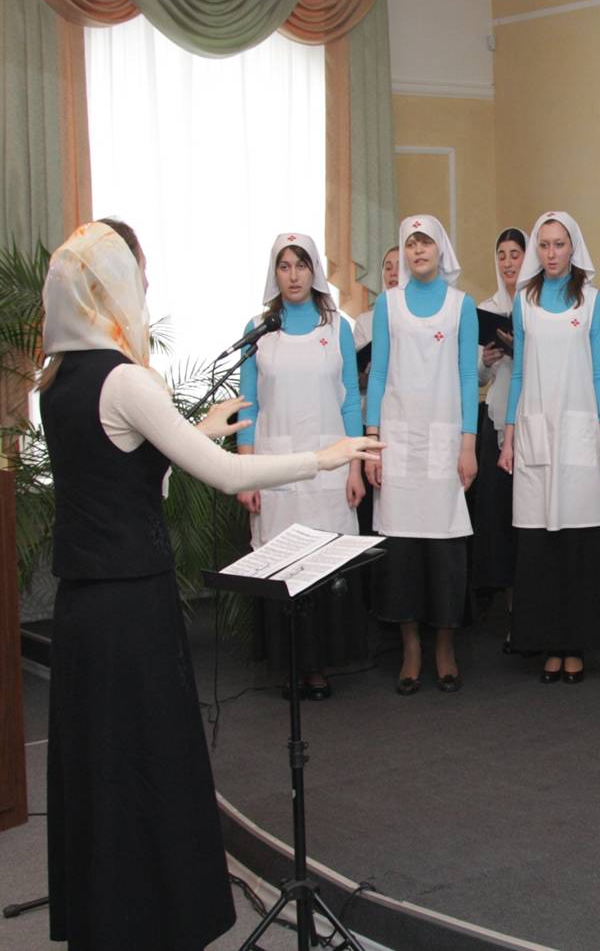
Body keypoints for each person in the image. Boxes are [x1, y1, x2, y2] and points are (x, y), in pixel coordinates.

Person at [40, 220, 378, 950]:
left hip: (82, 605)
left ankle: (108, 916)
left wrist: (196, 426)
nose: (146, 284)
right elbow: (224, 476)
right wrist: (322, 457)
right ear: (109, 288)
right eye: (137, 272)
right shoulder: (126, 379)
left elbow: (121, 467)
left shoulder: (57, 379)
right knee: (149, 760)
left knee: (102, 765)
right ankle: (159, 917)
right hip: (133, 602)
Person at [237, 232, 366, 701]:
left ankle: (319, 667)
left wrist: (355, 468)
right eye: (285, 266)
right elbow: (247, 407)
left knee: (324, 562)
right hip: (274, 467)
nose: (293, 276)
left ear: (315, 272)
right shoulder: (258, 330)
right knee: (284, 564)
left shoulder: (338, 327)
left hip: (329, 466)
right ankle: (288, 665)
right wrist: (246, 473)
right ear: (274, 273)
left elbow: (349, 402)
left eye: (302, 265)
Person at [500, 210, 600, 683]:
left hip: (579, 431)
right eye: (544, 245)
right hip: (535, 433)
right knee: (539, 544)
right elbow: (519, 372)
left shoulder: (591, 300)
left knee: (577, 540)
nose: (551, 254)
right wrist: (510, 436)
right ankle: (548, 643)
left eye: (559, 245)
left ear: (574, 249)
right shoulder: (523, 300)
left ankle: (576, 645)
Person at [364, 214, 479, 694]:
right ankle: (411, 648)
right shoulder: (387, 305)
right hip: (397, 441)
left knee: (445, 550)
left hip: (445, 442)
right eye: (410, 244)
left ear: (440, 249)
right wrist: (371, 445)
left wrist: (468, 443)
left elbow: (468, 377)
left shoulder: (461, 306)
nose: (417, 251)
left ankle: (444, 648)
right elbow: (377, 374)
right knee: (403, 553)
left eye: (425, 242)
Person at [471, 227, 526, 626]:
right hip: (497, 419)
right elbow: (475, 376)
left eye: (515, 254)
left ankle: (533, 601)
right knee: (501, 516)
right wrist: (487, 359)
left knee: (529, 516)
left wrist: (521, 349)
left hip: (532, 419)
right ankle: (510, 605)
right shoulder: (486, 307)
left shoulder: (538, 304)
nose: (508, 262)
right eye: (502, 255)